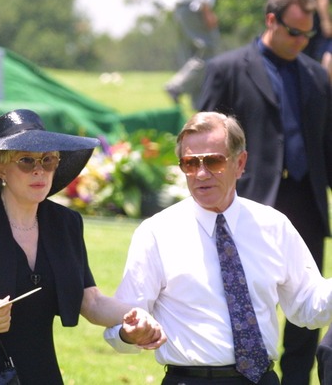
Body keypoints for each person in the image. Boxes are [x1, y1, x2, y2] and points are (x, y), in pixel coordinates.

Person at [0, 109, 166, 385]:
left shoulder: (66, 223)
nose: (39, 170)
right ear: (1, 167)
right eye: (26, 161)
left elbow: (91, 301)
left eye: (48, 160)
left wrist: (135, 317)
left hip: (43, 374)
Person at [104, 111, 332, 385]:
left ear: (240, 163)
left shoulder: (273, 225)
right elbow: (122, 321)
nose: (201, 173)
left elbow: (307, 306)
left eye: (213, 161)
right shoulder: (157, 233)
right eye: (190, 163)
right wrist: (129, 333)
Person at [198, 0, 332, 385]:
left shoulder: (316, 77)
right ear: (271, 20)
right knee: (248, 299)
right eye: (294, 32)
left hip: (305, 200)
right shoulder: (227, 68)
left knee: (306, 300)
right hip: (248, 202)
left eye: (308, 35)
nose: (301, 42)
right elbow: (202, 138)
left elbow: (327, 143)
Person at [162, 0, 220, 105]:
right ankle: (176, 86)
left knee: (190, 56)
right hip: (194, 8)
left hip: (180, 9)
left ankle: (199, 104)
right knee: (207, 51)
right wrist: (207, 10)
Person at [287, 0, 332, 81]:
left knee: (301, 56)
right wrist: (326, 22)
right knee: (326, 53)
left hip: (297, 18)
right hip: (314, 19)